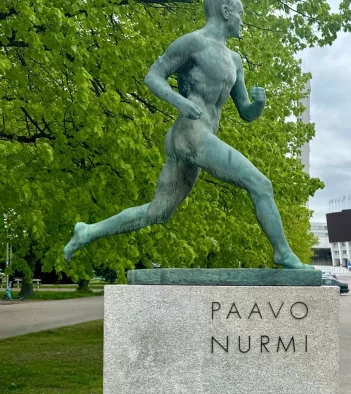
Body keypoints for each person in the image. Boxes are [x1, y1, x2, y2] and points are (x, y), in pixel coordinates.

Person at [64, 0, 311, 270]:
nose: (243, 20)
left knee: (157, 212)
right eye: (241, 14)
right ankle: (282, 252)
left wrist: (259, 104)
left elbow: (246, 112)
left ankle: (87, 231)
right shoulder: (194, 43)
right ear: (225, 11)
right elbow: (153, 76)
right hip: (190, 133)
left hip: (199, 137)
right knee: (260, 184)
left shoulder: (235, 60)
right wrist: (179, 101)